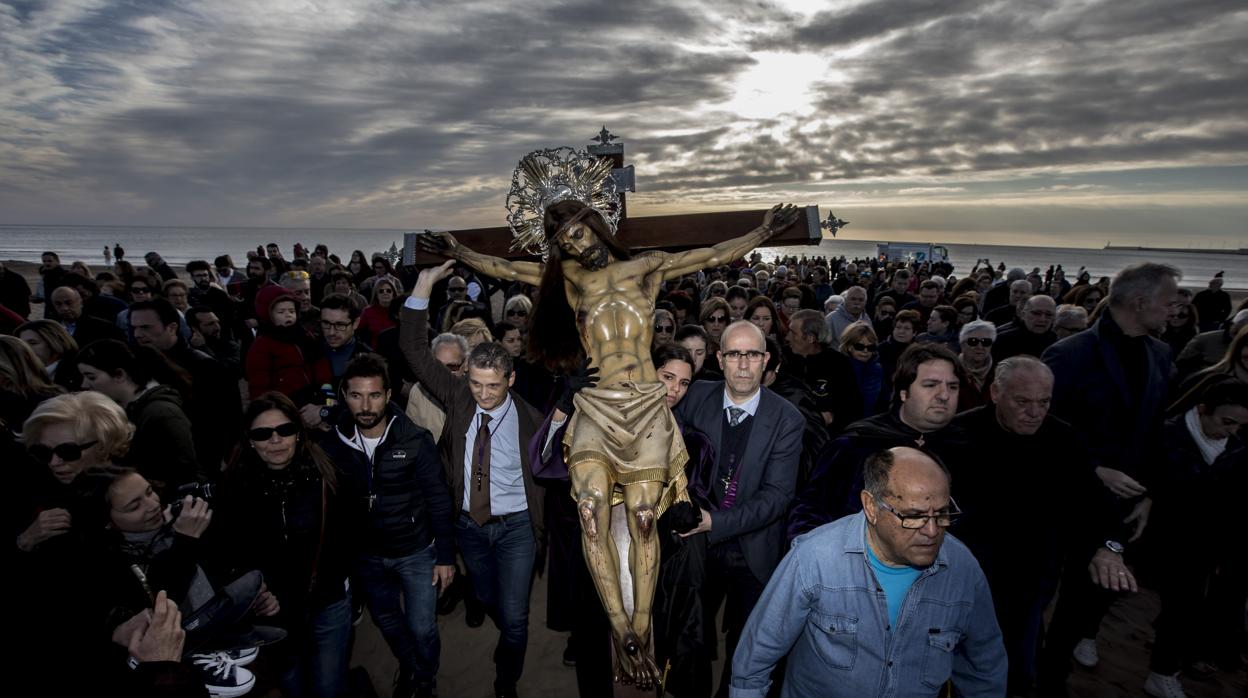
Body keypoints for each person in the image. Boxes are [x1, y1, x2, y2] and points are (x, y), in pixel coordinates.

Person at [730, 447, 1007, 698]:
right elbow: (755, 658)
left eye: (942, 514)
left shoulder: (963, 571)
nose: (932, 531)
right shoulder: (815, 559)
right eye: (913, 516)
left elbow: (985, 668)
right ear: (871, 507)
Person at [400, 266, 546, 698]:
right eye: (477, 384)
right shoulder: (460, 398)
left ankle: (507, 679)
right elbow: (412, 350)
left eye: (493, 387)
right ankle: (493, 614)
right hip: (469, 527)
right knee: (486, 598)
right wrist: (424, 286)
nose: (483, 395)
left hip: (518, 527)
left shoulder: (531, 421)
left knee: (516, 621)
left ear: (510, 379)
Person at [951, 357, 1133, 694]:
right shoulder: (956, 435)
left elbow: (1094, 501)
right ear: (995, 393)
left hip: (1029, 579)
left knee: (1017, 668)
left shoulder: (1063, 439)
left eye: (1044, 402)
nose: (1035, 412)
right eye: (1022, 402)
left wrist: (1109, 548)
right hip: (963, 576)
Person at [1039, 262, 1181, 691]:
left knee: (1086, 602)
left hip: (1119, 507)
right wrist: (1094, 469)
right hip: (1059, 501)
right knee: (1037, 597)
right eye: (1168, 300)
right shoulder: (1069, 354)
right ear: (1140, 302)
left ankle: (1053, 678)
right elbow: (1040, 430)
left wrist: (1149, 496)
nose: (1174, 309)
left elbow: (1157, 432)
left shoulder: (1161, 355)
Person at [672, 320, 804, 697]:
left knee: (745, 651)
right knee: (688, 636)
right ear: (720, 358)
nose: (743, 364)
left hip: (754, 551)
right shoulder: (695, 396)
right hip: (694, 547)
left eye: (751, 355)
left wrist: (715, 521)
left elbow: (777, 497)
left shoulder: (787, 419)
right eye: (734, 354)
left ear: (765, 360)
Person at [317, 356, 456, 698]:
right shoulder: (331, 446)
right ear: (344, 395)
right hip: (367, 556)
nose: (365, 406)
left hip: (416, 551)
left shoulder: (415, 440)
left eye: (375, 395)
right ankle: (411, 666)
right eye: (356, 396)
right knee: (387, 620)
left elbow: (439, 499)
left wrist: (446, 557)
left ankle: (425, 678)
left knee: (423, 627)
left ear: (389, 394)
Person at [217, 392, 352, 697]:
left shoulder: (326, 473)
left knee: (329, 686)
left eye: (285, 430)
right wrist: (254, 593)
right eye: (263, 433)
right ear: (250, 439)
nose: (276, 440)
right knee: (290, 683)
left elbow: (349, 533)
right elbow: (226, 554)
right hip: (273, 614)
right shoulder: (234, 488)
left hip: (328, 602)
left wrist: (340, 579)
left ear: (298, 434)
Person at [788, 343, 967, 540]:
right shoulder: (856, 444)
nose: (944, 395)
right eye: (930, 385)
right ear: (903, 392)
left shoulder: (971, 448)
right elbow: (810, 508)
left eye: (953, 386)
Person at [1143, 379, 1248, 698]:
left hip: (1199, 546)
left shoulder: (1238, 450)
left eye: (1241, 425)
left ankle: (1162, 672)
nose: (1231, 431)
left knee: (1183, 609)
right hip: (1150, 537)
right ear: (1203, 410)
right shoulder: (1165, 436)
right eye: (1226, 422)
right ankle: (1086, 635)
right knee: (1105, 594)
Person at [76, 340, 201, 496]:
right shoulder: (131, 408)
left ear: (119, 374)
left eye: (91, 377)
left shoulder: (161, 413)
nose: (84, 384)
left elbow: (185, 472)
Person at [783, 309, 862, 434]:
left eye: (793, 333)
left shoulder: (839, 364)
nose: (787, 337)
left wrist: (832, 417)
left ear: (810, 338)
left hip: (826, 437)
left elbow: (852, 408)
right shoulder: (782, 358)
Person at [15, 318, 81, 390]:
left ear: (54, 342)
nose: (25, 348)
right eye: (22, 344)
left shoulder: (77, 373)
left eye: (33, 343)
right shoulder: (18, 372)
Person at [50, 285, 125, 346]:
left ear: (81, 303)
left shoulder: (103, 328)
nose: (64, 308)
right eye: (58, 304)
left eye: (69, 303)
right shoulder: (49, 328)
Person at [838, 321, 885, 416]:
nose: (865, 351)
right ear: (849, 347)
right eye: (859, 346)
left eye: (870, 347)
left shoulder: (876, 369)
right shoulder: (838, 367)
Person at [992, 294, 1057, 361]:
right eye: (1036, 313)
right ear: (1023, 314)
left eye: (1049, 315)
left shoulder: (1056, 341)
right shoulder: (1003, 340)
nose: (1042, 319)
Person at [957, 320, 997, 411]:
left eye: (985, 342)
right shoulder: (951, 371)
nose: (979, 346)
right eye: (973, 341)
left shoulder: (1000, 373)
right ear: (962, 345)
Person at [358, 277, 399, 346]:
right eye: (381, 291)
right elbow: (358, 331)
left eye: (388, 290)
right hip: (377, 351)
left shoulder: (400, 310)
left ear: (393, 293)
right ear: (376, 294)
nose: (385, 293)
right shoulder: (368, 311)